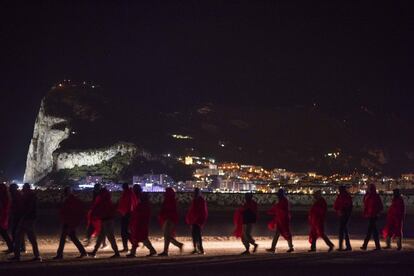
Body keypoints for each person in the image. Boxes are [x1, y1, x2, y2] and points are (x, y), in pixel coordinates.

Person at [9, 183, 41, 261]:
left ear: (26, 188)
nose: (22, 189)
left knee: (26, 237)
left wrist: (23, 217)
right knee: (22, 237)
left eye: (23, 188)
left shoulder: (29, 196)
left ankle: (35, 256)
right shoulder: (30, 196)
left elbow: (28, 208)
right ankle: (35, 255)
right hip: (27, 219)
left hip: (27, 219)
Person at [53, 187, 87, 259]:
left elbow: (67, 211)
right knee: (73, 238)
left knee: (64, 238)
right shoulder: (72, 200)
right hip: (70, 222)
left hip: (68, 222)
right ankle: (83, 252)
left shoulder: (69, 200)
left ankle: (60, 254)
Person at [88, 188, 120, 258]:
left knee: (109, 237)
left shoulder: (103, 201)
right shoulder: (108, 201)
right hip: (107, 220)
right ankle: (94, 252)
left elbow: (99, 210)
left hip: (106, 221)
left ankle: (116, 253)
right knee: (102, 237)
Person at [127, 192, 157, 258]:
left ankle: (133, 252)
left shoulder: (141, 205)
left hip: (139, 224)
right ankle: (151, 250)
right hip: (142, 224)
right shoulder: (146, 205)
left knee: (138, 237)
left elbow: (137, 214)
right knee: (142, 238)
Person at [266, 189, 294, 253]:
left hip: (283, 220)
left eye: (279, 195)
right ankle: (273, 248)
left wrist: (273, 210)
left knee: (286, 233)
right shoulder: (283, 200)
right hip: (281, 220)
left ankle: (290, 247)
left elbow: (280, 209)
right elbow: (279, 209)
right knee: (279, 234)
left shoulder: (284, 201)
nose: (278, 196)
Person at [158, 187, 183, 256]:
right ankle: (178, 245)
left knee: (167, 235)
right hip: (170, 219)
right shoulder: (172, 200)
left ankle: (166, 251)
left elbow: (168, 210)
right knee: (167, 235)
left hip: (169, 219)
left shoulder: (169, 200)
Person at [185, 188, 208, 254]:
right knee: (194, 235)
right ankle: (197, 249)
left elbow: (201, 211)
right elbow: (193, 210)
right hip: (195, 220)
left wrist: (198, 220)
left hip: (198, 220)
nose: (194, 194)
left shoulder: (200, 200)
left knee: (197, 235)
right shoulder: (196, 200)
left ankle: (200, 249)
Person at [361, 184, 383, 251]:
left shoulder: (372, 197)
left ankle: (366, 245)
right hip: (372, 215)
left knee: (371, 231)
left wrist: (375, 212)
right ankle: (368, 245)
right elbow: (365, 203)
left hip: (372, 215)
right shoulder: (373, 196)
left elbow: (366, 204)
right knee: (372, 231)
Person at [85, 183, 107, 248]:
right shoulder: (100, 195)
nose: (95, 189)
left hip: (97, 215)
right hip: (97, 214)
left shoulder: (99, 195)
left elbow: (95, 204)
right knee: (98, 229)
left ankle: (102, 243)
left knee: (97, 229)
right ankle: (103, 243)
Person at [117, 183, 137, 252]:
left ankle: (131, 245)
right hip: (127, 214)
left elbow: (127, 204)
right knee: (125, 232)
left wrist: (125, 213)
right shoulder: (129, 193)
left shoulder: (127, 194)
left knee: (124, 232)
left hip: (127, 215)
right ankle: (132, 244)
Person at [333, 185, 353, 251]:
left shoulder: (342, 196)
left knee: (342, 230)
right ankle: (346, 246)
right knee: (344, 230)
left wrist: (339, 210)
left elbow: (337, 205)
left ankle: (343, 246)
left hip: (343, 215)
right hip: (344, 214)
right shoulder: (347, 196)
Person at [8, 183, 25, 254]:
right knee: (17, 232)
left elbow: (18, 206)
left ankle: (18, 247)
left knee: (16, 232)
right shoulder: (17, 194)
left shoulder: (16, 195)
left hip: (18, 216)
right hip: (18, 215)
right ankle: (19, 247)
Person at [0, 183, 13, 253]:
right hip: (4, 215)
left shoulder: (4, 197)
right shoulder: (6, 196)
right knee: (4, 232)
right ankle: (11, 247)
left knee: (4, 232)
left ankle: (11, 247)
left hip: (3, 216)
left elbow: (4, 207)